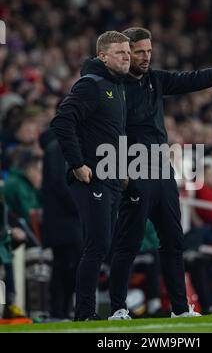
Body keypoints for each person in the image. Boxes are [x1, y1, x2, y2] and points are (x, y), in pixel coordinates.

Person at [108, 27, 212, 319]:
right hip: (134, 170)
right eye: (139, 52)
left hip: (161, 171)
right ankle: (118, 308)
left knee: (174, 241)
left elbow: (197, 79)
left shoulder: (156, 80)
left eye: (149, 51)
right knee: (128, 244)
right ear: (125, 53)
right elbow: (103, 130)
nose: (146, 57)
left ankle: (181, 310)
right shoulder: (111, 86)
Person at [51, 31, 130, 321]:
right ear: (103, 56)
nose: (126, 56)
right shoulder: (91, 85)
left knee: (103, 245)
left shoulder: (117, 87)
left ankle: (88, 311)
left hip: (110, 177)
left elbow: (110, 134)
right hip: (91, 178)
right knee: (97, 245)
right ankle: (85, 313)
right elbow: (61, 121)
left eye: (128, 52)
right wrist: (77, 163)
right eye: (120, 52)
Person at [39, 129, 83, 319]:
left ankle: (63, 310)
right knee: (65, 266)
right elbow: (59, 183)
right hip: (63, 221)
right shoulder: (57, 148)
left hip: (66, 220)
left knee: (68, 266)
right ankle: (58, 311)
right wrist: (81, 206)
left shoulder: (60, 147)